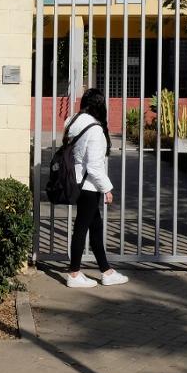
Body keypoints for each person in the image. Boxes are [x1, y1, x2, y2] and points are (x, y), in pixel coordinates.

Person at [64, 87, 129, 288]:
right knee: (82, 228)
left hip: (76, 181)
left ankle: (106, 271)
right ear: (100, 106)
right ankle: (74, 274)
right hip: (89, 185)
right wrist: (106, 188)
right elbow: (93, 165)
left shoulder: (72, 122)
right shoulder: (95, 130)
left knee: (95, 226)